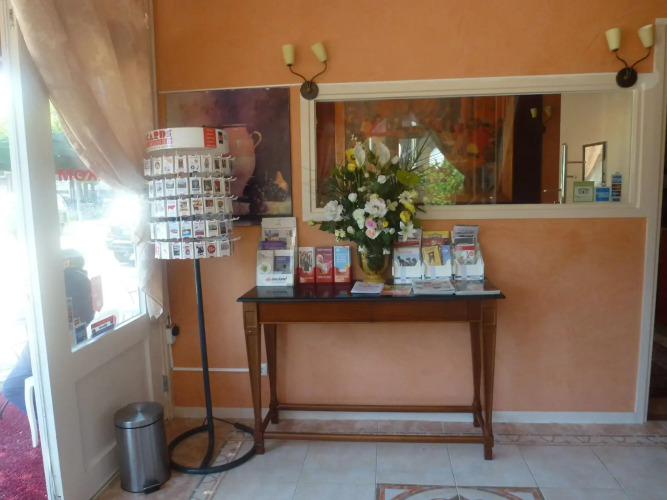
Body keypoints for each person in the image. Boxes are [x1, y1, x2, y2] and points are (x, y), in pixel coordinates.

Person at [2, 249, 93, 414]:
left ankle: (48, 419)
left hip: (49, 341)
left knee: (11, 386)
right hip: (71, 340)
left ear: (66, 263)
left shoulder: (63, 278)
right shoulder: (84, 279)